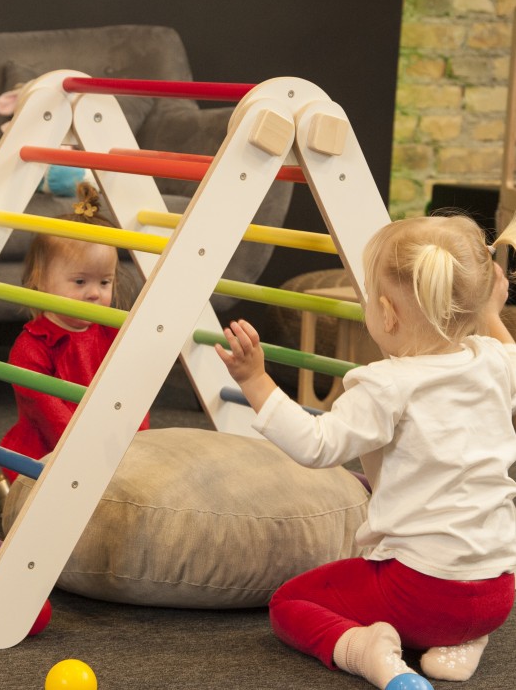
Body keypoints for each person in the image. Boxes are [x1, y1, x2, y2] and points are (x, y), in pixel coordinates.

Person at [215, 213, 516, 690]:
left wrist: (255, 380)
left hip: (423, 592)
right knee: (455, 596)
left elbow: (317, 444)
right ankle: (462, 640)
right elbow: (507, 351)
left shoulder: (387, 384)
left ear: (387, 313)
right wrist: (491, 315)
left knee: (290, 604)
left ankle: (370, 652)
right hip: (498, 593)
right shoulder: (493, 362)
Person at [0, 182, 150, 505]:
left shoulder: (111, 333)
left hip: (103, 443)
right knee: (47, 502)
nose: (94, 293)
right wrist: (86, 458)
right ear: (40, 282)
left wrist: (138, 446)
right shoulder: (31, 348)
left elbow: (133, 390)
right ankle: (10, 492)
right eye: (80, 282)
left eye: (104, 282)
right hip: (50, 447)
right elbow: (51, 415)